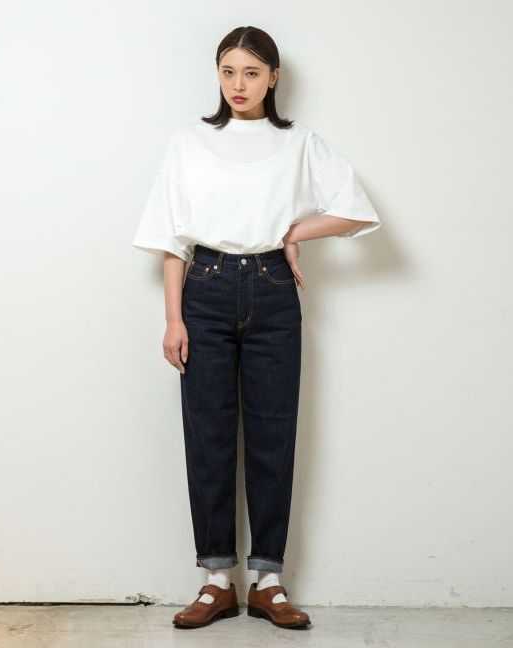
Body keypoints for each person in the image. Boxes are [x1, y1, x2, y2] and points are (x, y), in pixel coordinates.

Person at [132, 26, 381, 630]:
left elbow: (354, 210)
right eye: (227, 71)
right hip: (205, 289)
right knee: (208, 435)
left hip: (273, 291)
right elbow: (172, 238)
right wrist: (173, 318)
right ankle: (216, 580)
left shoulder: (299, 143)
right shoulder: (191, 142)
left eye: (250, 72)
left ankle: (269, 581)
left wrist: (293, 232)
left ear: (273, 77)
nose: (238, 84)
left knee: (273, 435)